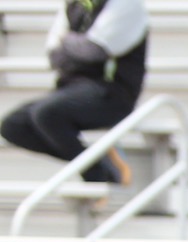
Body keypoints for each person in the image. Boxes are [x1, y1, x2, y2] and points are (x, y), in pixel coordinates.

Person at [1, 0, 147, 185]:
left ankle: (96, 174)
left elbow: (94, 51)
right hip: (71, 89)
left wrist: (67, 41)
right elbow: (54, 57)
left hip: (112, 94)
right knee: (13, 126)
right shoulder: (74, 4)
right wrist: (76, 45)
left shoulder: (126, 4)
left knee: (46, 113)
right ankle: (99, 164)